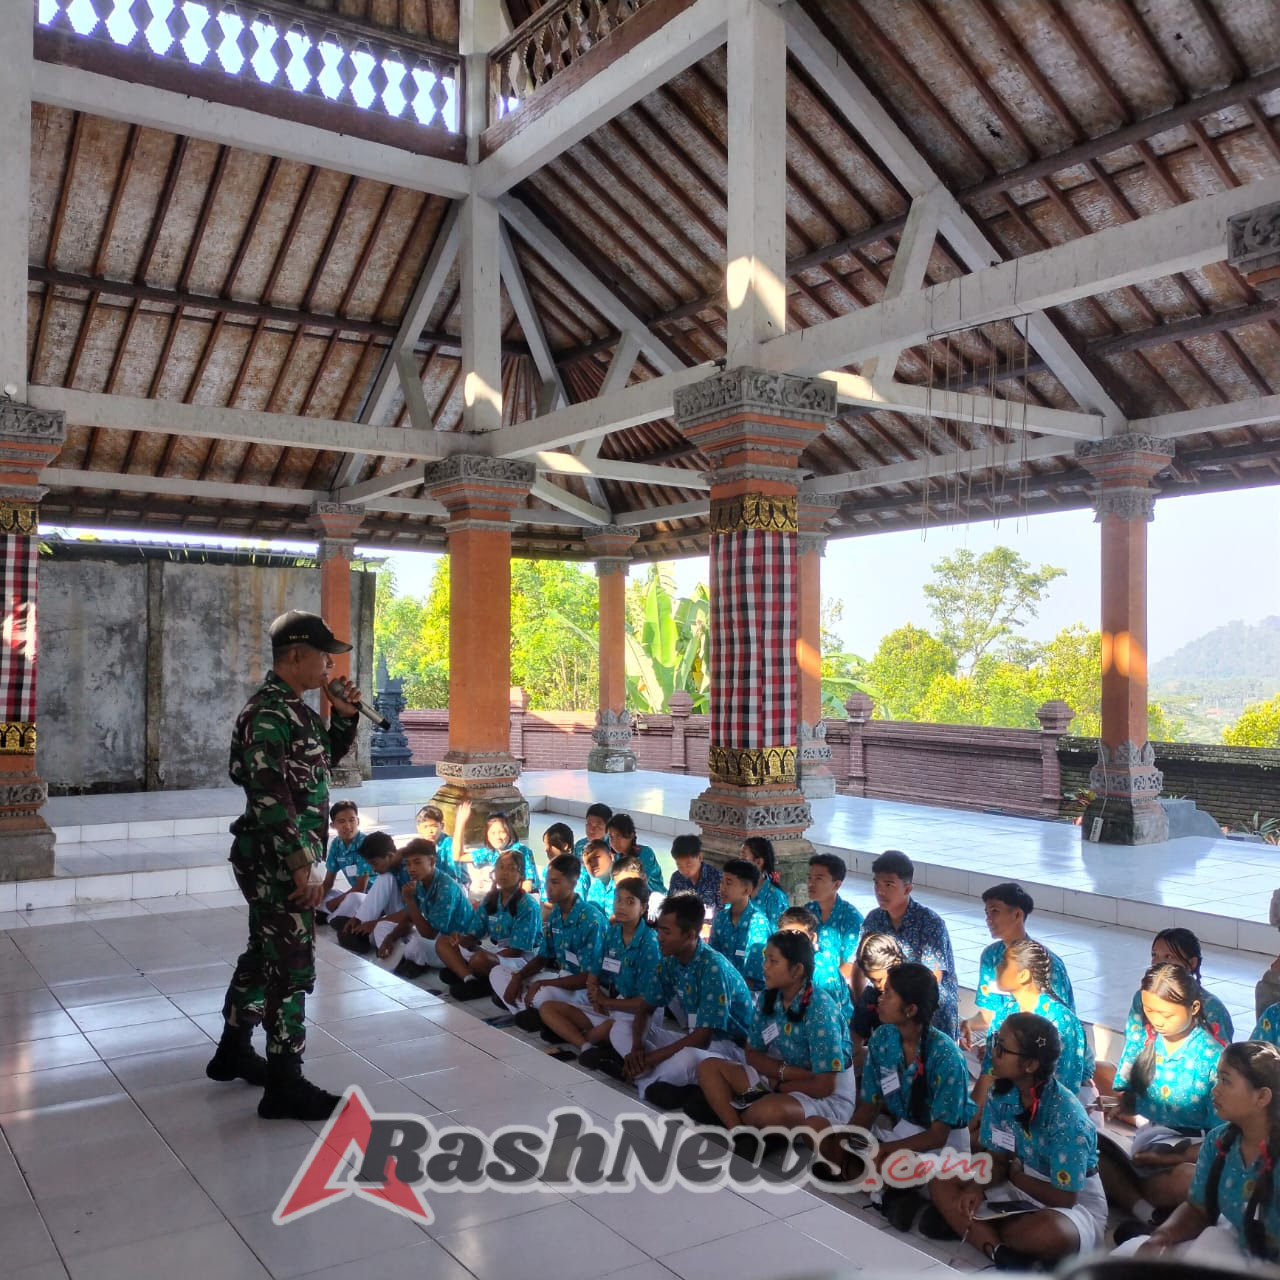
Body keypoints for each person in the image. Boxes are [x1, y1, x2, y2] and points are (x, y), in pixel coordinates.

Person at [210, 608, 361, 1122]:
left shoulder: (295, 711)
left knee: (264, 954)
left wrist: (342, 714)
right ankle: (285, 1083)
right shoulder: (267, 715)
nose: (330, 666)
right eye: (324, 657)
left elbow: (319, 767)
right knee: (292, 968)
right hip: (277, 860)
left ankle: (232, 1048)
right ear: (296, 655)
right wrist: (303, 865)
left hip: (287, 855)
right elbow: (268, 796)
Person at [924, 1013, 1107, 1271]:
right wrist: (978, 1188)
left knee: (1048, 1233)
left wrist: (1018, 1178)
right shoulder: (1002, 1095)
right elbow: (998, 1159)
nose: (993, 1051)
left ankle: (974, 1229)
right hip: (1019, 1184)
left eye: (1002, 1048)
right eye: (995, 1041)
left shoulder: (1067, 1117)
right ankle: (1001, 1253)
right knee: (941, 1180)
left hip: (1070, 1205)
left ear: (1030, 1065)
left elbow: (1064, 1197)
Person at [828, 962, 974, 1231]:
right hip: (904, 1131)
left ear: (910, 1010)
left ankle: (900, 1195)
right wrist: (848, 1139)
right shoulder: (883, 1038)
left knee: (885, 1164)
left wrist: (885, 1150)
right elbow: (868, 1106)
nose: (880, 999)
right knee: (833, 1148)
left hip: (943, 1141)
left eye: (888, 994)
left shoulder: (946, 1055)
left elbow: (937, 1135)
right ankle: (898, 1197)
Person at [1117, 1041, 1280, 1265]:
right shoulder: (1219, 1141)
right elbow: (1198, 1208)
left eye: (1226, 1081)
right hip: (1238, 1247)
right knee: (1129, 1257)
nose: (1215, 1090)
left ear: (1261, 1097)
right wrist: (1161, 1237)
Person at [1101, 962, 1228, 1231]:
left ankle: (1138, 1202)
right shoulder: (1149, 1042)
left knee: (1192, 1180)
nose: (1156, 1020)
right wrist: (1123, 1106)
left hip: (1188, 1152)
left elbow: (1225, 1137)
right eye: (1149, 1011)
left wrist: (1167, 1159)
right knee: (1094, 1147)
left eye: (1166, 1014)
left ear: (1193, 1008)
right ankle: (1147, 1212)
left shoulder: (1211, 1057)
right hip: (1147, 1142)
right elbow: (1143, 1105)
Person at [695, 931, 855, 1145]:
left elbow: (823, 1086)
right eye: (765, 959)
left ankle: (729, 1114)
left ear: (797, 970)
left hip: (822, 1096)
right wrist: (784, 1075)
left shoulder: (820, 1010)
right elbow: (752, 1054)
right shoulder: (769, 998)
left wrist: (780, 1086)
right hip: (778, 1078)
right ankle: (740, 1132)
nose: (765, 966)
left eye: (773, 961)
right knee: (708, 1068)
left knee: (764, 1112)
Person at [615, 892, 754, 1109]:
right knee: (620, 1027)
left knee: (688, 1057)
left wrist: (649, 1059)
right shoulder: (670, 960)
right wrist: (636, 1049)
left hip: (728, 1048)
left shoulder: (712, 967)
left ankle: (644, 1080)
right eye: (659, 929)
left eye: (666, 932)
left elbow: (702, 1039)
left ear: (689, 935)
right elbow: (645, 1009)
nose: (659, 937)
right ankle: (653, 1079)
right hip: (694, 1038)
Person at [539, 876, 662, 1072]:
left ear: (644, 907)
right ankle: (587, 1046)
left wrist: (606, 1002)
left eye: (630, 902)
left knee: (610, 1029)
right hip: (613, 1006)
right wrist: (595, 998)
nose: (621, 906)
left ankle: (584, 1040)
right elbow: (594, 974)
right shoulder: (613, 934)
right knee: (548, 1008)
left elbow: (646, 1003)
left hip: (641, 1016)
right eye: (618, 899)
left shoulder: (650, 944)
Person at [1095, 927, 1236, 1098]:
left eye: (1169, 957)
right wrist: (1126, 1094)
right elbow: (1134, 1045)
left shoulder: (1213, 1009)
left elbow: (1221, 1066)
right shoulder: (1142, 998)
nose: (1158, 963)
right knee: (1094, 1072)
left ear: (1192, 963)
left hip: (1192, 1095)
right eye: (1154, 955)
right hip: (1147, 1083)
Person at [973, 939, 1095, 1120]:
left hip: (1062, 1107)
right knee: (974, 1140)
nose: (997, 967)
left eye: (1004, 962)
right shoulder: (1004, 1013)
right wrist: (969, 1125)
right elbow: (989, 1074)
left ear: (1023, 975)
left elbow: (1063, 1089)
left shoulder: (1062, 1021)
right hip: (1015, 1092)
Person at [491, 854, 606, 1028]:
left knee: (543, 994)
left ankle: (535, 1011)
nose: (548, 888)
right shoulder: (556, 915)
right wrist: (519, 977)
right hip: (561, 977)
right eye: (546, 882)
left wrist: (542, 983)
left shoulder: (591, 920)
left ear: (573, 884)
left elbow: (590, 977)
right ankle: (526, 1012)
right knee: (498, 973)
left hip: (586, 989)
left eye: (555, 882)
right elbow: (543, 956)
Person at [856, 849, 959, 1042]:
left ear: (907, 889)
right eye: (877, 884)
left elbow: (933, 978)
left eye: (888, 885)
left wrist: (901, 1008)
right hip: (888, 1001)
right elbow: (860, 966)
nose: (880, 891)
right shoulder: (873, 920)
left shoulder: (930, 922)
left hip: (927, 1007)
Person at [965, 883, 1075, 1046]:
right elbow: (988, 1015)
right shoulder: (991, 957)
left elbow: (1059, 1029)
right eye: (986, 913)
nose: (988, 919)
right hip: (1005, 1043)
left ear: (1017, 915)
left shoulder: (1046, 963)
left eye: (995, 912)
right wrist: (967, 1024)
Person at [434, 848, 542, 1000]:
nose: (504, 872)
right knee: (443, 942)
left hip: (521, 959)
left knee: (479, 960)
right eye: (500, 867)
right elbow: (474, 934)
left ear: (521, 875)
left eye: (511, 868)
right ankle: (470, 979)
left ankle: (471, 976)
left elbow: (516, 951)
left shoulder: (528, 905)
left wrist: (477, 958)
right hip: (496, 951)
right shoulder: (490, 899)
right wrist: (461, 940)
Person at [392, 839, 483, 979]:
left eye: (417, 862)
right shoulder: (420, 882)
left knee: (415, 945)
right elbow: (409, 917)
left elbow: (429, 934)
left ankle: (419, 963)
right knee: (387, 929)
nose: (411, 869)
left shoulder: (445, 887)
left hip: (457, 945)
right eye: (408, 864)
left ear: (432, 861)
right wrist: (390, 938)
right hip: (438, 936)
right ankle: (415, 961)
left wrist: (409, 900)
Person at [778, 906, 855, 1026]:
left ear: (813, 938)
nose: (791, 943)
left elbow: (830, 1018)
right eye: (784, 936)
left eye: (798, 936)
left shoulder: (823, 971)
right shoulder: (780, 962)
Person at [331, 831, 405, 952]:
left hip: (416, 923)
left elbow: (412, 913)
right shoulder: (391, 869)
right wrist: (358, 918)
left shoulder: (410, 870)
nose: (374, 870)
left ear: (390, 856)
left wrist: (375, 923)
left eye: (375, 864)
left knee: (381, 929)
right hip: (398, 918)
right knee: (384, 878)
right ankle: (359, 927)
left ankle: (361, 932)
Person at [707, 859, 772, 990]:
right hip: (721, 987)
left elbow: (756, 977)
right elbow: (712, 958)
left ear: (746, 890)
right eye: (722, 882)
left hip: (750, 993)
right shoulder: (720, 918)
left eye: (729, 883)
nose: (722, 888)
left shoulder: (758, 924)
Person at [456, 799, 539, 896]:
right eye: (493, 833)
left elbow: (527, 885)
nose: (497, 837)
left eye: (502, 832)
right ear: (487, 835)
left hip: (525, 899)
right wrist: (460, 823)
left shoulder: (521, 851)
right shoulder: (490, 852)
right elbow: (458, 856)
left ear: (509, 832)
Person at [804, 854, 863, 983]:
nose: (810, 884)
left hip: (836, 987)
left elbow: (850, 966)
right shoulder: (807, 910)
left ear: (836, 885)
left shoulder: (851, 918)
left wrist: (823, 985)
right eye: (809, 878)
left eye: (819, 879)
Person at [850, 931, 905, 1068]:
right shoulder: (871, 995)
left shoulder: (913, 992)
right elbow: (855, 1038)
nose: (877, 986)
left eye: (879, 980)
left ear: (896, 963)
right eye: (871, 980)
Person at [318, 800, 370, 923]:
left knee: (354, 898)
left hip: (368, 898)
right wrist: (316, 899)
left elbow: (360, 888)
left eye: (352, 820)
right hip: (353, 897)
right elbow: (328, 883)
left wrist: (332, 904)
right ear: (333, 825)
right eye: (341, 821)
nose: (347, 826)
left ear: (358, 821)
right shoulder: (336, 844)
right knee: (328, 893)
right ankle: (332, 914)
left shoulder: (366, 844)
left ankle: (331, 916)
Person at [606, 813, 665, 894]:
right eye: (611, 836)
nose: (614, 841)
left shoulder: (646, 853)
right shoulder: (617, 857)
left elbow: (638, 885)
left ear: (631, 835)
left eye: (618, 836)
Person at [416, 804, 469, 888]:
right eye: (425, 827)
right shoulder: (417, 846)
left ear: (442, 826)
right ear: (419, 829)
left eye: (434, 826)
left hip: (456, 885)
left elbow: (454, 875)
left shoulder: (449, 844)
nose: (430, 831)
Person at [743, 836, 789, 927]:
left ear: (758, 862)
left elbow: (779, 934)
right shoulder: (737, 889)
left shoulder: (775, 897)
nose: (738, 862)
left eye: (743, 858)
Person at [668, 834, 722, 910]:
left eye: (688, 865)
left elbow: (724, 910)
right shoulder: (676, 878)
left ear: (700, 857)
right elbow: (671, 906)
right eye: (679, 865)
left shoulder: (716, 877)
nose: (684, 870)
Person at [579, 838, 617, 916]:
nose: (593, 864)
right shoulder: (587, 885)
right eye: (588, 862)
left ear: (611, 856)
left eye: (596, 858)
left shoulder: (626, 879)